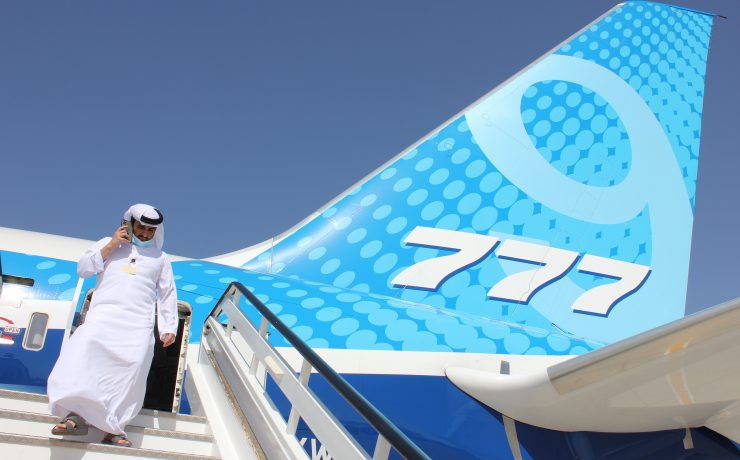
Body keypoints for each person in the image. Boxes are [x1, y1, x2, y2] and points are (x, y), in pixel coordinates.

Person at [47, 204, 178, 447]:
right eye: (141, 227)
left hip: (138, 324)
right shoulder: (107, 243)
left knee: (131, 372)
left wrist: (168, 326)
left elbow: (167, 293)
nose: (146, 233)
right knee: (85, 354)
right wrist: (112, 246)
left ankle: (115, 427)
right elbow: (84, 269)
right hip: (104, 317)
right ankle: (76, 414)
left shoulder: (160, 258)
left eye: (151, 230)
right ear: (129, 223)